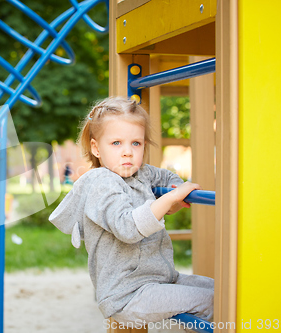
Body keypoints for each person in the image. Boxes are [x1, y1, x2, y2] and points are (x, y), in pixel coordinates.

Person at [48, 96, 214, 327]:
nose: (127, 152)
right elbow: (127, 228)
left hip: (160, 280)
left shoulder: (141, 173)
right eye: (116, 143)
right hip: (128, 295)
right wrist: (170, 198)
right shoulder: (101, 183)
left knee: (223, 291)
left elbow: (166, 177)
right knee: (211, 301)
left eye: (136, 143)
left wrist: (176, 191)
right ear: (96, 148)